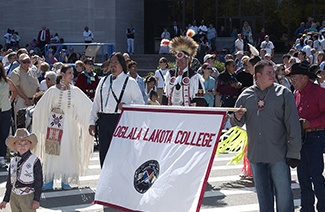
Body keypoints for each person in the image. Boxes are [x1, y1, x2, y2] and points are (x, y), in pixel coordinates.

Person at [233, 60, 301, 212]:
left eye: (273, 72)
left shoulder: (283, 93)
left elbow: (293, 125)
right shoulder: (246, 95)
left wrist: (294, 152)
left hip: (278, 154)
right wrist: (236, 117)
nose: (273, 75)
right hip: (256, 155)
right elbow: (236, 122)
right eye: (269, 73)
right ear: (258, 75)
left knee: (284, 196)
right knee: (263, 198)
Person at [32, 64, 94, 190]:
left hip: (71, 127)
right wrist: (47, 121)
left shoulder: (75, 91)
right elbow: (40, 108)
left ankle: (66, 180)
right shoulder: (52, 91)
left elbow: (88, 106)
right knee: (53, 152)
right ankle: (49, 179)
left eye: (72, 73)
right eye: (70, 73)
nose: (72, 75)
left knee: (68, 151)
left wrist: (91, 118)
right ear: (63, 75)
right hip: (55, 125)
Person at [88, 52, 144, 167]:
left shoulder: (130, 82)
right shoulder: (103, 81)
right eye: (111, 62)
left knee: (120, 154)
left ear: (122, 64)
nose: (113, 65)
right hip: (103, 120)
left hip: (120, 121)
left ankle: (119, 182)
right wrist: (92, 122)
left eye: (116, 62)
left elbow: (140, 103)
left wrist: (126, 107)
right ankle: (105, 180)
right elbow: (96, 103)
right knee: (104, 153)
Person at [287, 63, 325, 212]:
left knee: (316, 175)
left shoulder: (319, 92)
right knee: (302, 175)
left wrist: (310, 123)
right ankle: (306, 207)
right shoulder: (296, 93)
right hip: (301, 138)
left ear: (304, 78)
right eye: (291, 79)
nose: (292, 82)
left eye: (294, 79)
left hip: (316, 135)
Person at [0, 128, 42, 212]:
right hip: (14, 196)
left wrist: (36, 199)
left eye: (25, 143)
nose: (22, 146)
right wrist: (5, 199)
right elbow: (9, 182)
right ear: (14, 145)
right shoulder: (13, 161)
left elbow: (39, 181)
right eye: (19, 144)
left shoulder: (34, 161)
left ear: (30, 144)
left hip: (28, 197)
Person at [165, 35, 205, 106]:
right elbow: (166, 95)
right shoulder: (170, 74)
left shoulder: (194, 77)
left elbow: (199, 99)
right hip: (171, 111)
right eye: (178, 59)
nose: (179, 62)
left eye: (182, 60)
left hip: (188, 112)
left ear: (188, 60)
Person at [10, 53, 39, 126]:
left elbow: (37, 86)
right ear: (20, 61)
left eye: (28, 61)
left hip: (33, 101)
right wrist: (26, 99)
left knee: (32, 124)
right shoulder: (15, 72)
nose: (26, 64)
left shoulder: (32, 71)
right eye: (24, 62)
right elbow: (16, 88)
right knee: (21, 123)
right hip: (21, 100)